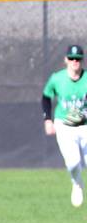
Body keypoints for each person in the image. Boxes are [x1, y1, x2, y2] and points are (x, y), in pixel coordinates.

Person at [42, 44, 87, 207]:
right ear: (66, 60)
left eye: (78, 59)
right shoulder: (57, 78)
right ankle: (77, 183)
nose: (75, 61)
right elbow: (46, 97)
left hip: (84, 124)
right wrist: (47, 119)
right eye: (72, 58)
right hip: (65, 125)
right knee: (73, 162)